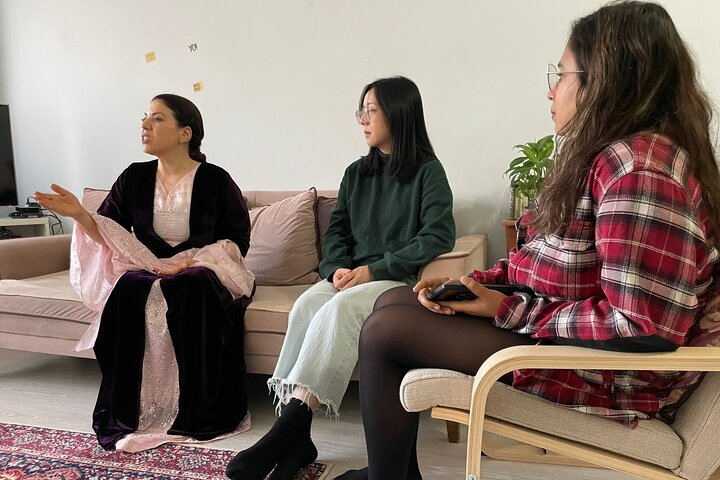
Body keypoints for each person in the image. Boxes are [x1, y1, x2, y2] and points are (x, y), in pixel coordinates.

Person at [337, 2, 720, 479]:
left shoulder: (639, 171)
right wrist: (477, 285)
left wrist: (504, 309)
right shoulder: (613, 158)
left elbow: (641, 327)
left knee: (385, 332)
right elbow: (553, 261)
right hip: (573, 341)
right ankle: (392, 474)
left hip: (612, 374)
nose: (550, 91)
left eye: (561, 74)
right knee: (393, 300)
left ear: (603, 80)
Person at [225, 76, 456, 480]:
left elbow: (438, 235)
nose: (363, 119)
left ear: (399, 113)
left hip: (393, 281)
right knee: (308, 304)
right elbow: (337, 233)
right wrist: (336, 269)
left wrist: (376, 268)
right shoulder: (355, 173)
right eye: (360, 111)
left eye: (371, 110)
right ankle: (297, 432)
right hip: (350, 276)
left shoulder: (428, 173)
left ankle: (287, 431)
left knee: (343, 309)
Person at [35, 94, 255, 452]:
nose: (144, 126)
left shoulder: (216, 180)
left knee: (194, 284)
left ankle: (199, 411)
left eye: (157, 119)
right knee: (128, 287)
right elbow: (108, 232)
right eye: (144, 118)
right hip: (148, 267)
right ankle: (131, 412)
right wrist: (80, 215)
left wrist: (193, 262)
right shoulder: (133, 177)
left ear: (186, 133)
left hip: (205, 269)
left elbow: (237, 240)